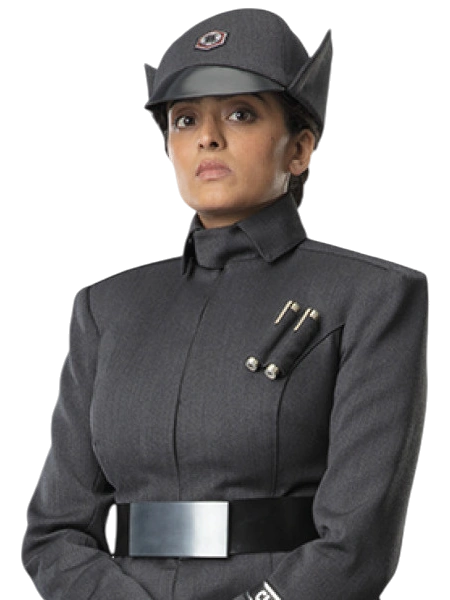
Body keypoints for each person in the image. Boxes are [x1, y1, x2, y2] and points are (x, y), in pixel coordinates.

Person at [22, 9, 427, 600]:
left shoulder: (371, 299)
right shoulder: (106, 311)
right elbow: (54, 532)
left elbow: (356, 545)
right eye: (185, 119)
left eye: (241, 113)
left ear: (300, 149)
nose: (207, 137)